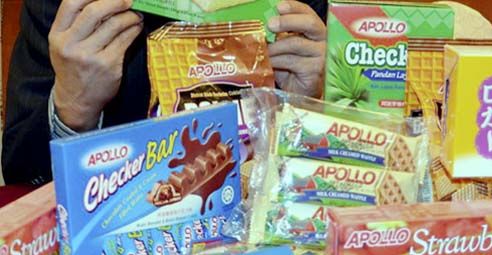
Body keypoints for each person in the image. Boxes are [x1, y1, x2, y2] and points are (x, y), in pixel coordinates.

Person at [2, 0, 327, 185]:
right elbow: (23, 175)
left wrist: (306, 105)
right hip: (118, 235)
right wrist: (74, 108)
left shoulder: (296, 10)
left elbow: (330, 183)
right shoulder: (71, 9)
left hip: (256, 234)